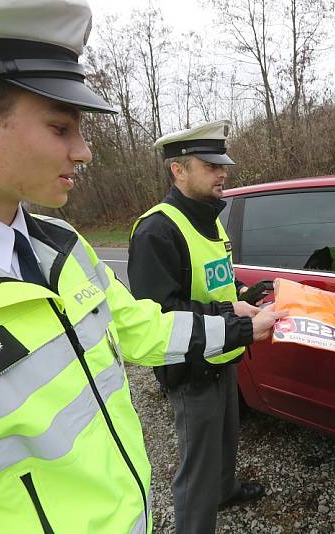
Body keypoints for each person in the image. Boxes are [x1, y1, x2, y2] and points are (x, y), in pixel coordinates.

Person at [0, 2, 283, 533]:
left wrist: (243, 325)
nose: (83, 152)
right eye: (61, 127)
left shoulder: (62, 245)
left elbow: (140, 326)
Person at [128, 120, 267, 534]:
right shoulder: (157, 229)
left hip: (224, 351)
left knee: (227, 439)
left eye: (222, 163)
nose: (222, 172)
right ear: (179, 170)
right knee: (198, 464)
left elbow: (217, 278)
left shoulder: (210, 216)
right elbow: (159, 313)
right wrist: (233, 313)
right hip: (191, 365)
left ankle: (225, 491)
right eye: (210, 165)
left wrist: (247, 290)